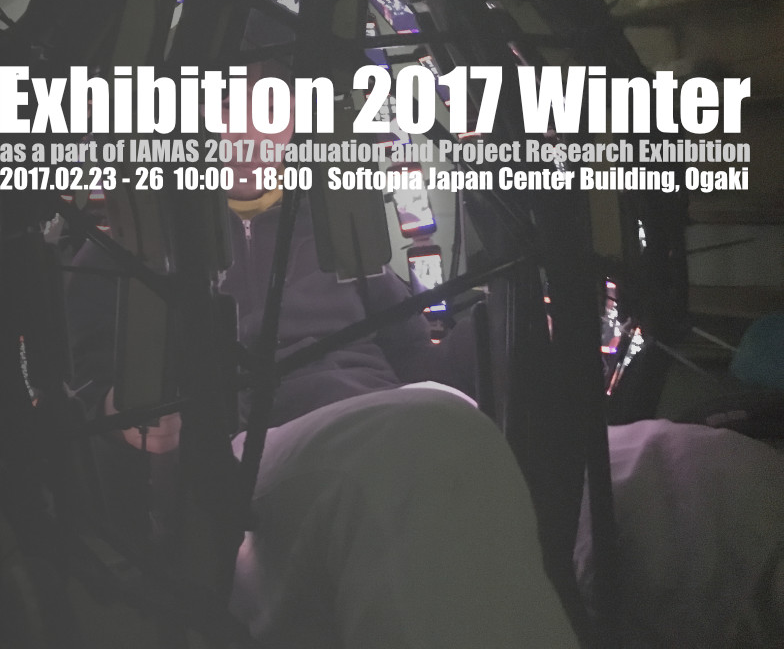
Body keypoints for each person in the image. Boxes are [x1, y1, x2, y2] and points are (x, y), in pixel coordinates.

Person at [66, 60, 580, 647]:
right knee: (427, 435)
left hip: (398, 419)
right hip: (247, 459)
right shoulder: (127, 250)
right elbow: (91, 402)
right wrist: (130, 414)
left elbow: (418, 360)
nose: (253, 128)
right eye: (229, 105)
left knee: (653, 458)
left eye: (272, 106)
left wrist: (512, 327)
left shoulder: (340, 225)